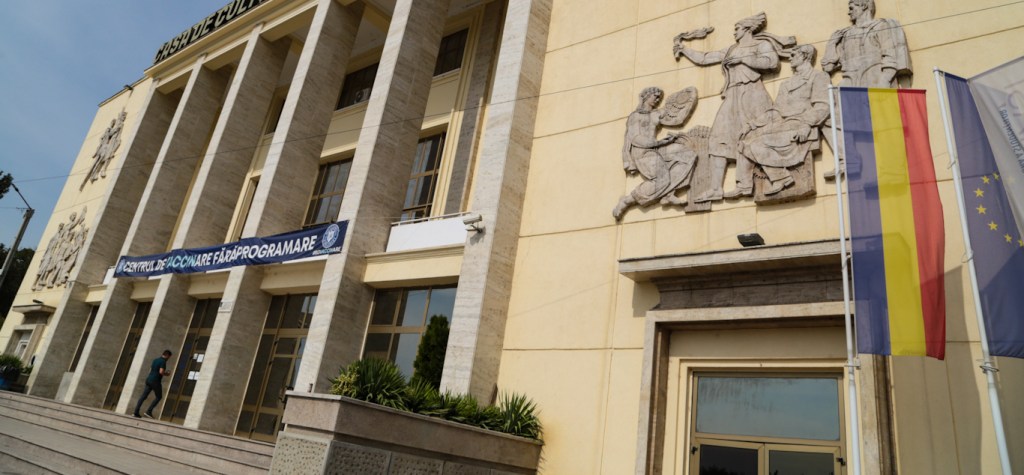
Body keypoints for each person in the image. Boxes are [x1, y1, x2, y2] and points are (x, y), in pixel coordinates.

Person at [674, 12, 795, 201]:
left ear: (747, 28)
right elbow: (706, 58)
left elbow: (771, 63)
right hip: (732, 95)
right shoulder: (731, 49)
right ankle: (716, 189)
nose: (734, 33)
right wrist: (684, 49)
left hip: (753, 94)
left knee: (754, 138)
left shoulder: (761, 45)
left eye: (737, 29)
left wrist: (744, 59)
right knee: (718, 138)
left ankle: (775, 179)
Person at [821, 0, 912, 178]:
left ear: (863, 6)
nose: (849, 12)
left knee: (883, 122)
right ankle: (848, 160)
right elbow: (828, 66)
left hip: (875, 78)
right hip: (850, 83)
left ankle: (893, 168)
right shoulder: (845, 34)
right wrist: (832, 42)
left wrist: (884, 81)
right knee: (829, 118)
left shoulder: (880, 26)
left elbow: (890, 57)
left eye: (852, 7)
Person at [738, 44, 830, 195]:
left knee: (756, 144)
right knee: (744, 142)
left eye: (794, 55)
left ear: (805, 56)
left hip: (801, 126)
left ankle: (780, 178)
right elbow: (776, 112)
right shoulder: (786, 84)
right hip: (782, 126)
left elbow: (822, 106)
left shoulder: (819, 76)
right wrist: (751, 125)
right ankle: (747, 185)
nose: (790, 58)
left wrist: (807, 125)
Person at [612, 86, 698, 220]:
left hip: (656, 148)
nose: (657, 100)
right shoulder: (635, 116)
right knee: (661, 179)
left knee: (688, 154)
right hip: (643, 152)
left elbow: (677, 119)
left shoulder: (656, 114)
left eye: (659, 97)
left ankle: (669, 193)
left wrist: (689, 100)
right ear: (646, 96)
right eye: (655, 96)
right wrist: (659, 143)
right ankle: (627, 200)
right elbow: (636, 139)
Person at [134, 350, 172, 419]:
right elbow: (161, 372)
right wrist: (167, 374)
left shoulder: (155, 360)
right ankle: (149, 411)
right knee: (159, 397)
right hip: (155, 381)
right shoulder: (163, 362)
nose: (168, 359)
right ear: (167, 355)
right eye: (169, 357)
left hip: (149, 379)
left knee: (143, 396)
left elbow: (151, 369)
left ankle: (135, 412)